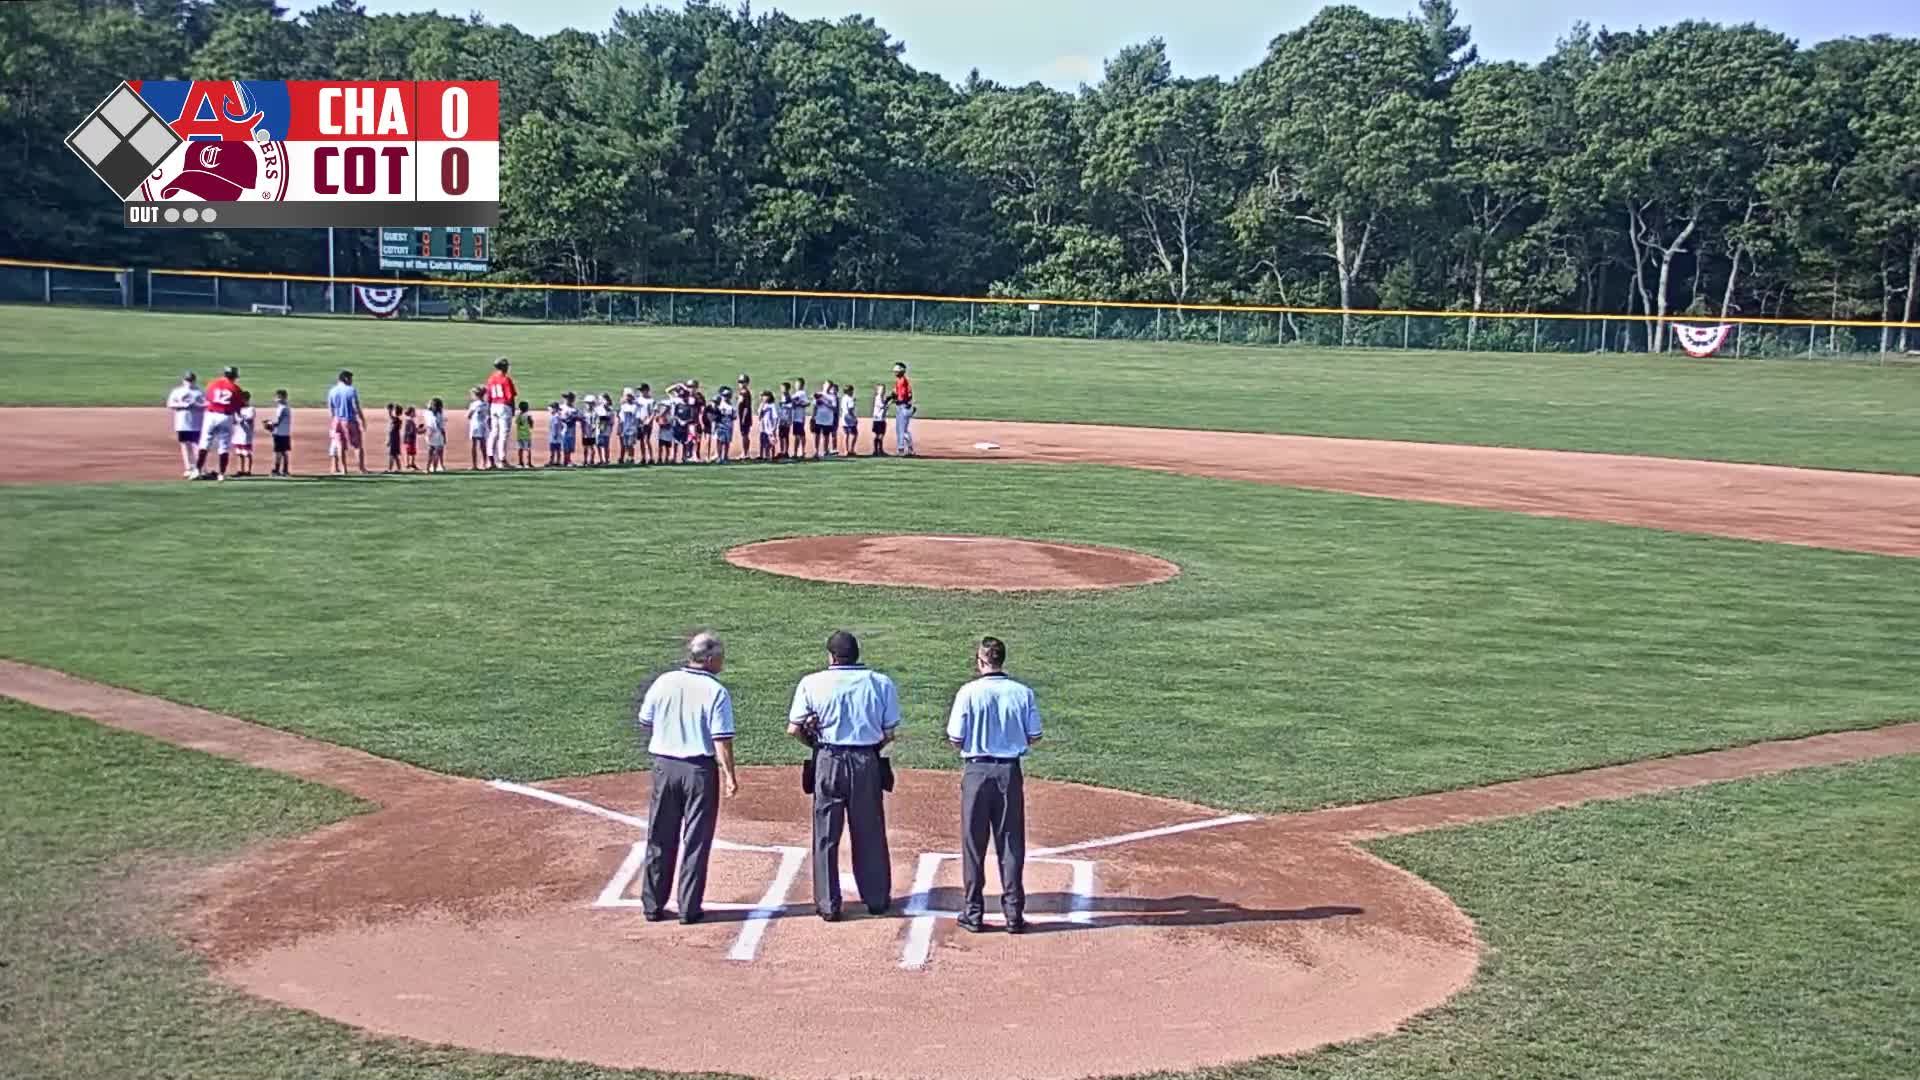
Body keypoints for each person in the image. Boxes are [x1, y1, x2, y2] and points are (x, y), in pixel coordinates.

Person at [787, 630, 899, 921]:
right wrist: (869, 748)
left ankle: (828, 903)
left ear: (831, 656)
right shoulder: (880, 683)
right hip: (866, 763)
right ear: (857, 655)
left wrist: (816, 745)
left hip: (828, 760)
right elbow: (889, 733)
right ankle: (876, 899)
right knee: (870, 832)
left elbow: (794, 729)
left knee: (826, 833)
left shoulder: (811, 683)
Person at [633, 632, 740, 925]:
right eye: (720, 656)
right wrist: (730, 775)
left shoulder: (664, 681)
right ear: (708, 659)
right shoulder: (716, 692)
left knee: (659, 836)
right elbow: (721, 740)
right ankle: (689, 909)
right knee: (695, 840)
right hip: (699, 773)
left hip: (664, 768)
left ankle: (652, 906)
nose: (722, 661)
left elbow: (646, 720)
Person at [945, 636, 1043, 934]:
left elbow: (955, 738)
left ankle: (973, 913)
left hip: (976, 773)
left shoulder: (968, 692)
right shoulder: (1022, 693)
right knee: (1011, 843)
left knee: (973, 845)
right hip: (1009, 774)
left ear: (981, 660)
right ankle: (1014, 915)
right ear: (1002, 659)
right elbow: (1035, 735)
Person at [196, 365, 243, 481]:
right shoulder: (235, 388)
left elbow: (208, 398)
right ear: (235, 376)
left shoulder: (213, 384)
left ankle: (197, 470)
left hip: (211, 415)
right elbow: (238, 406)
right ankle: (221, 474)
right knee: (224, 446)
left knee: (204, 443)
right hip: (225, 417)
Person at [327, 370, 369, 475]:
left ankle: (343, 469)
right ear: (346, 378)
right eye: (350, 379)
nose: (351, 381)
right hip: (350, 420)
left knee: (340, 445)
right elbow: (356, 406)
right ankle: (361, 468)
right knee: (357, 445)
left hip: (337, 420)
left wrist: (333, 421)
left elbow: (331, 408)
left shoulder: (332, 391)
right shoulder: (351, 390)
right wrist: (362, 419)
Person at [166, 371, 206, 478]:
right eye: (187, 380)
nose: (189, 383)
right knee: (185, 446)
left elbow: (206, 405)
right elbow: (170, 404)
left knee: (197, 446)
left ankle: (200, 468)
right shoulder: (177, 391)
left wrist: (196, 405)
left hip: (196, 423)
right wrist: (183, 405)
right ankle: (189, 468)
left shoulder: (199, 392)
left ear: (194, 381)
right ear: (183, 380)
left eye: (191, 380)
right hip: (182, 423)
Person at [484, 358, 517, 469]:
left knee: (493, 433)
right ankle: (502, 460)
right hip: (504, 406)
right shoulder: (506, 379)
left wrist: (488, 411)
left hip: (493, 406)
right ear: (503, 367)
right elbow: (510, 397)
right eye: (506, 366)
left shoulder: (491, 379)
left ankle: (490, 460)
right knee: (503, 434)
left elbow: (488, 397)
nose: (508, 368)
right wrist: (512, 409)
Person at [891, 362, 916, 456]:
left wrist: (895, 399)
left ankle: (908, 449)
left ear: (902, 371)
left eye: (897, 371)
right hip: (901, 406)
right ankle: (901, 448)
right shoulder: (899, 381)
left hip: (903, 407)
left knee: (903, 430)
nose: (895, 373)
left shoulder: (902, 381)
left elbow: (904, 396)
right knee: (900, 429)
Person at [267, 389, 292, 477]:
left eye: (278, 397)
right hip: (285, 433)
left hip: (279, 433)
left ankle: (277, 470)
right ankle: (285, 470)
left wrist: (270, 424)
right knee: (284, 452)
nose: (277, 399)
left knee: (279, 452)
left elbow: (277, 422)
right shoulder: (286, 407)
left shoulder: (282, 408)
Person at [232, 392, 256, 477]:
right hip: (237, 434)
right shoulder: (238, 409)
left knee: (247, 453)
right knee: (239, 453)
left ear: (247, 399)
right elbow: (234, 420)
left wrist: (241, 419)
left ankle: (248, 470)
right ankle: (240, 470)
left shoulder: (251, 409)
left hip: (246, 434)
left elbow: (250, 419)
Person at [423, 397, 447, 473]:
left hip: (432, 434)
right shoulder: (440, 415)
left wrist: (428, 435)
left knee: (430, 452)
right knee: (437, 452)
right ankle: (434, 468)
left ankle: (427, 468)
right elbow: (442, 428)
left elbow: (430, 427)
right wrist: (444, 437)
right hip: (439, 435)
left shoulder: (428, 414)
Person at [757, 390, 778, 461]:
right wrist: (762, 405)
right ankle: (762, 455)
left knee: (771, 442)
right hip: (763, 427)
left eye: (765, 396)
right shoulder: (762, 405)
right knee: (763, 441)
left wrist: (774, 427)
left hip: (770, 427)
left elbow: (775, 417)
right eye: (763, 396)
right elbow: (759, 416)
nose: (764, 397)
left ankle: (771, 456)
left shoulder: (772, 405)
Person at [840, 382, 859, 457]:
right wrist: (854, 418)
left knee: (846, 434)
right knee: (854, 434)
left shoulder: (843, 398)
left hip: (844, 418)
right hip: (850, 418)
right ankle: (851, 449)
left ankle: (846, 450)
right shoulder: (850, 399)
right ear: (850, 391)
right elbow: (850, 410)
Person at [870, 383, 888, 457]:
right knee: (880, 435)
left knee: (880, 435)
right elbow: (883, 406)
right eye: (881, 390)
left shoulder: (881, 398)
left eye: (884, 389)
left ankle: (878, 450)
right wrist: (889, 401)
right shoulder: (878, 398)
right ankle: (877, 450)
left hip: (880, 418)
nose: (883, 391)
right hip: (879, 419)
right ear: (877, 391)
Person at [514, 401, 534, 468]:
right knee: (528, 449)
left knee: (520, 449)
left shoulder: (518, 415)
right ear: (527, 408)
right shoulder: (528, 415)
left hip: (519, 435)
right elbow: (531, 425)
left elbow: (516, 422)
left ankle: (520, 463)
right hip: (527, 435)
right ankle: (528, 463)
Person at [385, 403, 403, 473]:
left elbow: (391, 431)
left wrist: (389, 440)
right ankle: (399, 469)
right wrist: (389, 411)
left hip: (394, 440)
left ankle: (390, 469)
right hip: (395, 439)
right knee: (395, 455)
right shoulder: (397, 420)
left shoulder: (396, 420)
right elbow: (391, 417)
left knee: (392, 455)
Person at [403, 406, 421, 471]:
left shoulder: (410, 420)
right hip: (409, 439)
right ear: (410, 413)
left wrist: (418, 429)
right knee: (409, 452)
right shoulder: (409, 420)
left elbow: (413, 430)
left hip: (411, 439)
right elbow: (411, 431)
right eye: (413, 412)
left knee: (412, 452)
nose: (415, 413)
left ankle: (412, 464)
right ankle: (408, 464)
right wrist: (418, 430)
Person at [545, 401, 563, 466]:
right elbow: (561, 426)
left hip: (554, 436)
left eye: (551, 408)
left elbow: (555, 425)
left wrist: (555, 434)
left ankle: (552, 461)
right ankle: (558, 461)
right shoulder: (558, 415)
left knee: (553, 449)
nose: (549, 409)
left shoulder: (555, 416)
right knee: (558, 449)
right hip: (558, 435)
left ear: (554, 408)